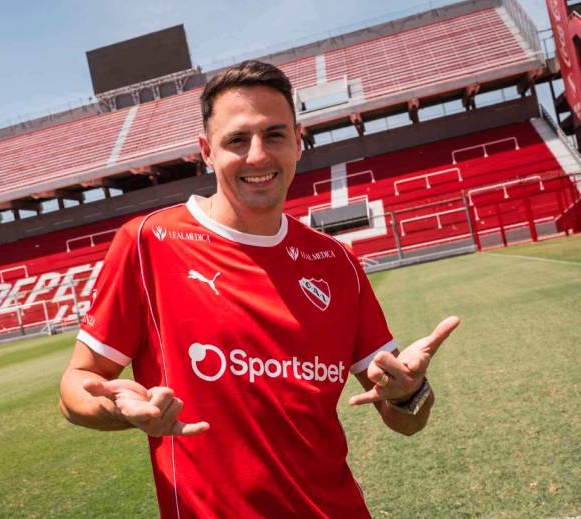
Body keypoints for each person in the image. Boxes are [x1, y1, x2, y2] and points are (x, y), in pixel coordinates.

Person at [59, 60, 460, 518]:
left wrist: (409, 394)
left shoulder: (336, 261)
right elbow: (75, 386)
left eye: (274, 134)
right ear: (206, 151)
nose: (257, 156)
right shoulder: (147, 243)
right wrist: (121, 410)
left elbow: (404, 420)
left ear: (298, 142)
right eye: (236, 140)